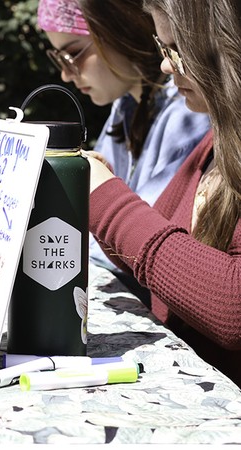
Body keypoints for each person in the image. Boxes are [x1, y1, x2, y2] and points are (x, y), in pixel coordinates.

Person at [84, 0, 241, 386]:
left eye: (178, 49)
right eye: (162, 48)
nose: (166, 65)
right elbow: (160, 262)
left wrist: (108, 203)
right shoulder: (212, 144)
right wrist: (93, 190)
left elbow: (231, 309)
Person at [37, 0, 210, 304]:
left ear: (118, 29)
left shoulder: (190, 110)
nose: (66, 74)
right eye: (58, 58)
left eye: (73, 53)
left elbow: (147, 233)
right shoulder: (127, 106)